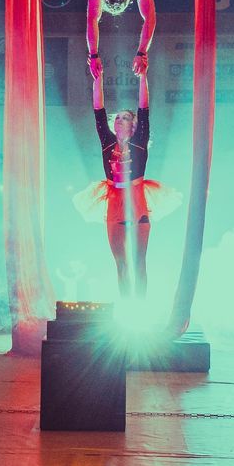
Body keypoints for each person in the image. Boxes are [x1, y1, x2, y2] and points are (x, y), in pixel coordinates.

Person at [76, 51, 174, 298]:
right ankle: (126, 306)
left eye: (125, 117)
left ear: (133, 125)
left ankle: (141, 309)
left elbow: (144, 107)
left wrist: (143, 76)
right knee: (121, 264)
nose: (119, 120)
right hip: (114, 202)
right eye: (117, 118)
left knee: (140, 261)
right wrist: (97, 78)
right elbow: (98, 110)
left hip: (138, 200)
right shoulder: (107, 142)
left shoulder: (140, 140)